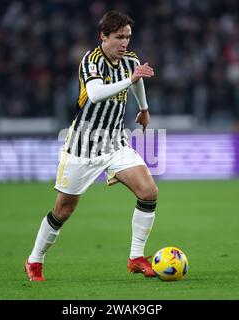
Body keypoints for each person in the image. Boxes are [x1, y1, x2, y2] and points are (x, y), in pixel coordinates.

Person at [25, 10, 158, 281]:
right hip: (83, 146)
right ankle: (35, 260)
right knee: (63, 210)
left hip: (115, 143)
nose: (125, 43)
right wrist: (131, 79)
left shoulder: (129, 61)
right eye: (119, 37)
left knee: (148, 192)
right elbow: (96, 94)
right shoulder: (90, 60)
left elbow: (137, 80)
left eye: (128, 37)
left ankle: (135, 257)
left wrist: (143, 108)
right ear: (103, 36)